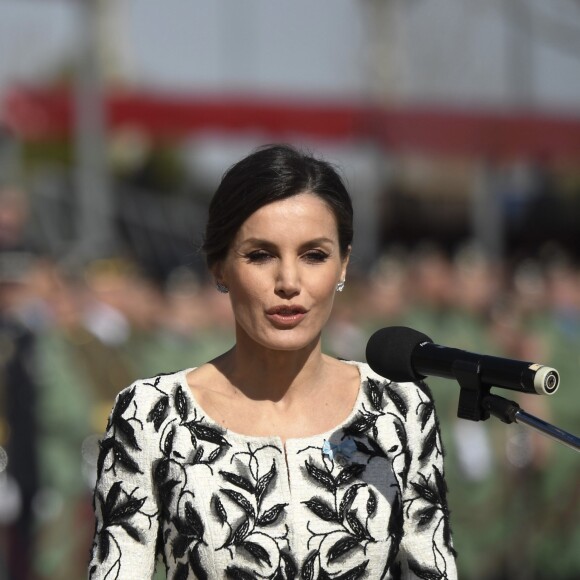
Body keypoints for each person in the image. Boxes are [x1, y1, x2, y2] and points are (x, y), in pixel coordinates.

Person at [88, 144, 457, 579]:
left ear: (343, 266)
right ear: (219, 267)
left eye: (314, 255)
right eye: (260, 255)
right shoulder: (151, 415)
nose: (288, 282)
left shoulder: (400, 410)